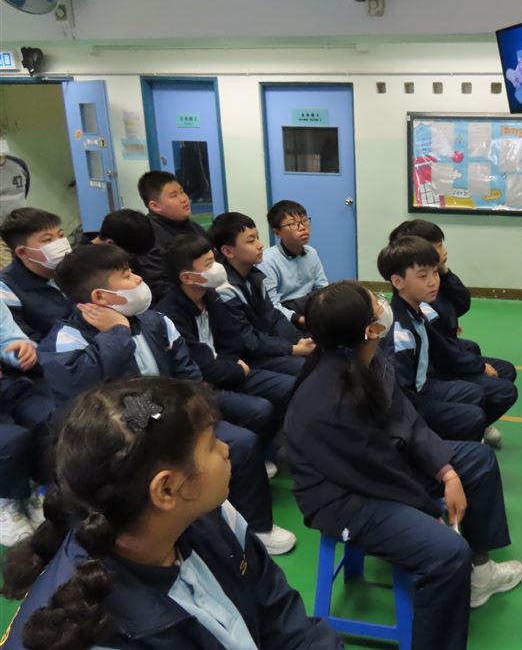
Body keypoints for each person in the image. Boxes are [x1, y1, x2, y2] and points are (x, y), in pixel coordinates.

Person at [0, 377, 342, 650]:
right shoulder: (95, 632)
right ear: (166, 490)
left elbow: (279, 614)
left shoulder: (213, 515)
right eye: (211, 444)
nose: (226, 450)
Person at [285, 281, 522, 650]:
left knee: (477, 461)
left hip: (381, 467)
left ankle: (481, 574)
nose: (384, 304)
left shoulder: (368, 361)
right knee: (448, 554)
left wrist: (446, 471)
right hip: (346, 499)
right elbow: (376, 475)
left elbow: (407, 419)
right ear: (370, 330)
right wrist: (429, 511)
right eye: (375, 303)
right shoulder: (328, 399)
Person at [37, 244, 296, 555]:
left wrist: (187, 416)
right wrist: (116, 334)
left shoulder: (156, 321)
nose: (138, 279)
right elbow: (89, 402)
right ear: (101, 297)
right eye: (126, 275)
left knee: (241, 443)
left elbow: (187, 376)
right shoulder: (65, 340)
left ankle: (256, 527)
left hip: (168, 414)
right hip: (117, 438)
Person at [156, 234, 295, 476]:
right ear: (187, 277)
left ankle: (267, 449)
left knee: (288, 387)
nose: (218, 268)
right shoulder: (170, 314)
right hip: (203, 383)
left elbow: (233, 341)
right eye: (209, 264)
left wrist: (232, 367)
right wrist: (233, 368)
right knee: (259, 409)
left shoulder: (211, 295)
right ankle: (245, 461)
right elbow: (199, 364)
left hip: (228, 370)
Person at [389, 219, 518, 446]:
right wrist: (479, 366)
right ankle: (461, 427)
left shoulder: (425, 292)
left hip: (441, 362)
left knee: (497, 368)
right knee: (490, 393)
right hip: (436, 372)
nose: (444, 251)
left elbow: (460, 304)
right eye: (438, 246)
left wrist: (444, 272)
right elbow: (441, 354)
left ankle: (471, 423)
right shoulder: (407, 318)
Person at [211, 212, 313, 377]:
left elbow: (273, 316)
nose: (260, 245)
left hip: (265, 347)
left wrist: (298, 340)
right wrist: (293, 349)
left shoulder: (253, 275)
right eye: (251, 241)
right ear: (228, 251)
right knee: (306, 368)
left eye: (257, 238)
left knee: (317, 355)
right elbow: (247, 340)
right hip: (245, 358)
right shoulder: (224, 288)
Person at [0, 301, 54, 546]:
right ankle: (6, 500)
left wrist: (21, 351)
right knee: (10, 441)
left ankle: (39, 486)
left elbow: (9, 339)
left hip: (8, 385)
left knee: (51, 416)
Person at [135, 171, 213, 301]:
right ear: (155, 206)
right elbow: (159, 285)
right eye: (174, 195)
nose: (184, 199)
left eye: (182, 192)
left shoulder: (193, 227)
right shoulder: (147, 236)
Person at [0, 207, 74, 342]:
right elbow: (26, 344)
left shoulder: (76, 267)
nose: (60, 244)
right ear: (22, 252)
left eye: (61, 235)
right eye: (47, 240)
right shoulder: (6, 289)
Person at [258, 200, 329, 329]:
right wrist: (300, 319)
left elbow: (322, 288)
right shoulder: (267, 260)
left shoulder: (311, 252)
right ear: (277, 232)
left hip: (310, 307)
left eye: (304, 221)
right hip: (285, 314)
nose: (302, 227)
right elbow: (271, 305)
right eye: (292, 224)